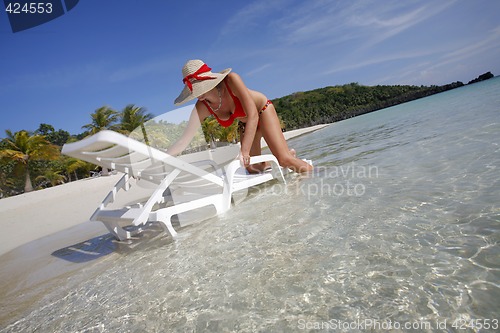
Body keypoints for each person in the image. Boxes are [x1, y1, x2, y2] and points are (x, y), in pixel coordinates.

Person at [171, 59, 313, 173]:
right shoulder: (202, 106)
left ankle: (317, 173)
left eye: (199, 86)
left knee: (283, 159)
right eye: (194, 90)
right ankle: (283, 159)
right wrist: (161, 159)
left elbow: (252, 114)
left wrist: (244, 152)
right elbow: (184, 140)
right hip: (246, 124)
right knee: (252, 168)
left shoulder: (231, 81)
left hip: (262, 111)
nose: (198, 93)